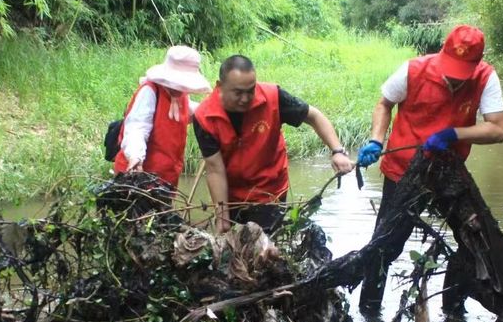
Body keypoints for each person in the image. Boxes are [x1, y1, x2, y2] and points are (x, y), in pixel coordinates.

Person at [355, 24, 503, 314]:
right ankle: (369, 311)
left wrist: (455, 134)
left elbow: (498, 129)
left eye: (462, 73)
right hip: (403, 172)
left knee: (471, 239)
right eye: (450, 69)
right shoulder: (413, 70)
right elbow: (384, 104)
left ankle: (453, 309)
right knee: (386, 243)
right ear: (442, 53)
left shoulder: (485, 78)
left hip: (448, 174)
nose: (453, 78)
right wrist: (376, 139)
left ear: (475, 65)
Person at [193, 54, 354, 233]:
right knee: (231, 249)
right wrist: (222, 217)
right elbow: (215, 169)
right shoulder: (204, 117)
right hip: (231, 195)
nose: (246, 99)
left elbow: (314, 116)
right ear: (220, 86)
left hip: (269, 192)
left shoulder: (273, 97)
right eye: (238, 92)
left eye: (250, 90)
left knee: (265, 249)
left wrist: (337, 150)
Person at [113, 45, 212, 188]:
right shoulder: (150, 92)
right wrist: (136, 156)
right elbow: (137, 128)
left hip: (166, 180)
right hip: (138, 177)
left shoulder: (181, 96)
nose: (181, 88)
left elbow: (191, 112)